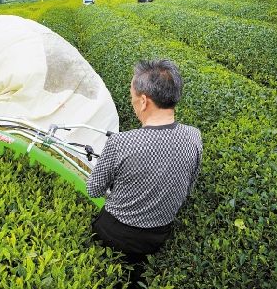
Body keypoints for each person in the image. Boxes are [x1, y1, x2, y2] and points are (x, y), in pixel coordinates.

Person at [87, 60, 202, 287]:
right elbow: (188, 185)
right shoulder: (194, 136)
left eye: (132, 97)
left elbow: (93, 189)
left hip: (115, 235)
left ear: (143, 101)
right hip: (158, 236)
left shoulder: (121, 143)